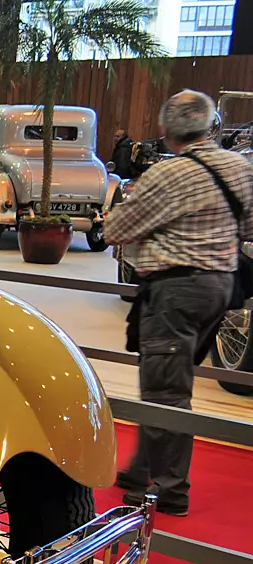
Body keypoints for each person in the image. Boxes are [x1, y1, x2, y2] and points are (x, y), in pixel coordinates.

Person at [105, 90, 253, 517]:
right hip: (222, 288)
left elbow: (117, 230)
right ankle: (139, 471)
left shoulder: (166, 176)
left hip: (176, 290)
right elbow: (248, 223)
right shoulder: (240, 168)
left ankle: (168, 491)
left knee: (164, 391)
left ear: (167, 131)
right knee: (171, 378)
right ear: (212, 126)